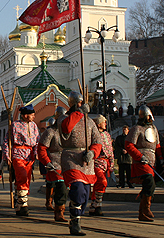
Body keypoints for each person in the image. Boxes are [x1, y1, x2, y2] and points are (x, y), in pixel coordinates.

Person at [58, 91, 101, 236]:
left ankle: (77, 214)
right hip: (70, 157)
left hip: (86, 160)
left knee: (85, 193)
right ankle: (75, 221)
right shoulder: (64, 118)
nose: (81, 105)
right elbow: (67, 128)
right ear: (73, 104)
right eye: (79, 103)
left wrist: (93, 152)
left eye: (83, 103)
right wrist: (79, 114)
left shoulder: (89, 121)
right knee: (78, 189)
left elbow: (97, 141)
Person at [125, 105, 164, 222]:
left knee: (150, 186)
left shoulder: (154, 129)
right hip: (140, 162)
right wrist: (140, 156)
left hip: (152, 161)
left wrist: (160, 158)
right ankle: (145, 209)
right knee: (148, 181)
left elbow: (157, 146)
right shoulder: (137, 128)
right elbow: (129, 145)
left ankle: (143, 211)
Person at [3, 104, 40, 217]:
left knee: (25, 179)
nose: (34, 116)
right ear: (25, 115)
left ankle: (19, 203)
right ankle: (23, 205)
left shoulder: (34, 126)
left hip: (29, 156)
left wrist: (36, 152)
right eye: (31, 115)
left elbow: (37, 141)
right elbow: (7, 141)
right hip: (18, 154)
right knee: (22, 176)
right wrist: (7, 156)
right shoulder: (14, 125)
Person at [38, 107, 68, 222]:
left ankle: (61, 208)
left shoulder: (68, 132)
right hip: (54, 162)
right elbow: (41, 148)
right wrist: (47, 161)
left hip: (67, 162)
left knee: (65, 188)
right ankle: (59, 212)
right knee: (61, 188)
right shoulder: (50, 132)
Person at [89, 115, 114, 216]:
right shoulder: (93, 135)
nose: (105, 124)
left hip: (105, 163)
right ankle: (96, 204)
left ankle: (95, 205)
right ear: (99, 124)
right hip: (96, 162)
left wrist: (111, 164)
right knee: (102, 182)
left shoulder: (107, 135)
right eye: (104, 122)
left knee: (99, 184)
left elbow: (110, 150)